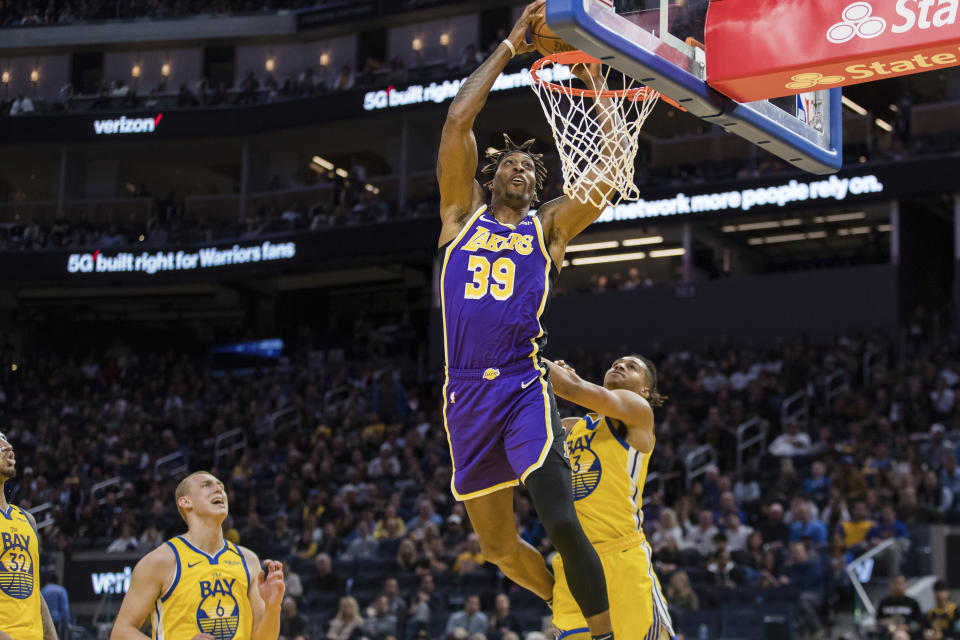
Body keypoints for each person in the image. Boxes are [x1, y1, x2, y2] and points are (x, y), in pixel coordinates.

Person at [437, 2, 627, 636]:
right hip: (464, 392)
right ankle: (561, 605)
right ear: (491, 177)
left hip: (522, 383)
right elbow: (458, 121)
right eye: (513, 165)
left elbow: (611, 168)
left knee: (561, 520)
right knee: (495, 547)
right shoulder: (459, 220)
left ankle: (600, 632)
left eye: (534, 168)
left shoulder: (549, 228)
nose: (524, 167)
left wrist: (595, 77)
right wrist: (512, 45)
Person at [542, 356, 676, 639]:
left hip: (624, 560)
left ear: (646, 392)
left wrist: (523, 348)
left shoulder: (639, 412)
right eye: (616, 363)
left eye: (632, 367)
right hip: (574, 563)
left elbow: (574, 388)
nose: (620, 366)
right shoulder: (571, 426)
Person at [110, 470, 285, 640]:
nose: (219, 490)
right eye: (206, 485)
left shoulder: (248, 560)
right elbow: (120, 632)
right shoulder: (161, 561)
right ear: (185, 502)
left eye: (221, 486)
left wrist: (273, 608)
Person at [0, 431, 59, 640]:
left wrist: (52, 637)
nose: (8, 448)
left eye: (8, 444)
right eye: (0, 445)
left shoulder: (27, 520)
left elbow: (34, 591)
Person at [40, 573, 71, 640]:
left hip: (43, 620)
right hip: (56, 620)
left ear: (48, 581)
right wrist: (67, 622)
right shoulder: (61, 590)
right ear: (57, 581)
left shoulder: (43, 590)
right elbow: (64, 608)